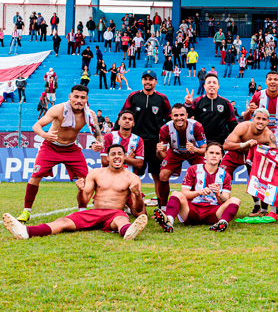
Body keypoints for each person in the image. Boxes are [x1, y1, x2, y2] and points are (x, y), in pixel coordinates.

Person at [4, 144, 148, 241]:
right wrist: (80, 191)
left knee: (122, 220)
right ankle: (27, 232)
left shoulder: (133, 178)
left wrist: (136, 194)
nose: (117, 156)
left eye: (120, 154)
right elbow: (83, 202)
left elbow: (138, 212)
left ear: (124, 157)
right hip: (94, 212)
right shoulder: (96, 173)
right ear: (108, 157)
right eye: (113, 154)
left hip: (115, 213)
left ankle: (129, 231)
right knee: (63, 221)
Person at [16, 85, 104, 223]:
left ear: (87, 99)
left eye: (82, 97)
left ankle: (82, 210)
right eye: (76, 96)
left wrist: (99, 144)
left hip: (71, 149)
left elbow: (98, 134)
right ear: (70, 97)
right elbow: (36, 126)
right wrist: (45, 135)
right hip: (50, 147)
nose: (79, 100)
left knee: (86, 179)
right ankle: (27, 211)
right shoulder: (58, 109)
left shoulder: (90, 114)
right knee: (36, 175)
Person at [153, 142, 240, 233]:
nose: (214, 156)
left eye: (217, 153)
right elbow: (184, 193)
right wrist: (199, 192)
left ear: (221, 156)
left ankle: (222, 223)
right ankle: (169, 222)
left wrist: (218, 194)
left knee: (235, 200)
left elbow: (225, 200)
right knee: (176, 194)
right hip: (192, 210)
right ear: (205, 155)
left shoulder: (226, 175)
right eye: (211, 153)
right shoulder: (193, 169)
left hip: (213, 212)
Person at [120, 70, 172, 209]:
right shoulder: (134, 96)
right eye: (145, 79)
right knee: (132, 176)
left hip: (156, 143)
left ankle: (162, 207)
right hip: (136, 143)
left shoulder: (162, 99)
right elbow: (123, 115)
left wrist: (166, 141)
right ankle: (130, 205)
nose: (147, 81)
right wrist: (115, 135)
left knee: (158, 175)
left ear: (155, 81)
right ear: (142, 81)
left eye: (151, 79)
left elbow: (169, 120)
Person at [221, 108, 278, 216]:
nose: (261, 121)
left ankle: (261, 207)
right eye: (258, 118)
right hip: (235, 153)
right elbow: (226, 146)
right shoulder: (243, 127)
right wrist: (244, 144)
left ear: (267, 121)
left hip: (254, 156)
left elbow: (275, 155)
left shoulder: (269, 135)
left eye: (264, 119)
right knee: (221, 176)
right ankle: (219, 205)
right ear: (253, 118)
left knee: (259, 179)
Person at [156, 103, 207, 211]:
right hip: (175, 152)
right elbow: (162, 157)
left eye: (182, 115)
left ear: (186, 115)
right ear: (171, 116)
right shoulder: (165, 129)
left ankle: (201, 202)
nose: (179, 118)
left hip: (194, 153)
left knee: (203, 174)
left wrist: (195, 149)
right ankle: (164, 207)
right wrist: (159, 152)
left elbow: (204, 150)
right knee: (163, 176)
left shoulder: (196, 126)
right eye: (176, 115)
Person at [244, 71, 278, 147]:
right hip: (259, 142)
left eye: (275, 79)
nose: (272, 82)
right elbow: (246, 118)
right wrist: (250, 110)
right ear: (266, 82)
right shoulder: (257, 96)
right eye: (270, 79)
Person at [184, 73, 238, 144]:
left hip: (220, 142)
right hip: (200, 142)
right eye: (209, 82)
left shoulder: (226, 103)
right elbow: (185, 117)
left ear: (218, 86)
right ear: (204, 86)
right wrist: (187, 104)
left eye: (214, 83)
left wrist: (231, 139)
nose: (212, 85)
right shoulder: (197, 101)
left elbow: (233, 123)